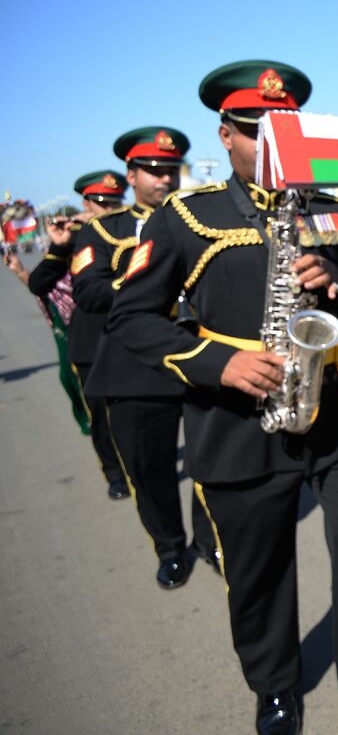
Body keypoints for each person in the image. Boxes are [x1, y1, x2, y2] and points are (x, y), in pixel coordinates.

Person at [106, 62, 338, 735]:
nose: (273, 147)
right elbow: (133, 319)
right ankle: (276, 688)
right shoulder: (183, 218)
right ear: (226, 134)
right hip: (236, 415)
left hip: (332, 412)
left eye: (285, 133)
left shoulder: (332, 209)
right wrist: (220, 363)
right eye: (258, 133)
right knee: (257, 567)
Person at [75, 126, 219, 589]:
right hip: (135, 366)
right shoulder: (103, 230)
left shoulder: (201, 218)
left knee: (210, 459)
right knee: (150, 469)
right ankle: (170, 547)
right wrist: (145, 281)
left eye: (171, 170)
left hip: (199, 355)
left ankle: (208, 539)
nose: (164, 179)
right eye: (153, 171)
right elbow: (88, 291)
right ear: (131, 175)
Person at [29, 172, 130, 499]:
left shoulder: (131, 231)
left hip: (131, 339)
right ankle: (114, 474)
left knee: (133, 414)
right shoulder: (72, 239)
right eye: (101, 203)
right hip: (91, 344)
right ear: (87, 204)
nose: (108, 209)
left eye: (114, 203)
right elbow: (38, 284)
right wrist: (59, 250)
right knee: (101, 418)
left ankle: (137, 464)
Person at [9, 214, 92, 434]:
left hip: (83, 330)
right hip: (61, 332)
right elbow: (38, 287)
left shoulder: (84, 257)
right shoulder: (52, 264)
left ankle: (97, 423)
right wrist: (18, 271)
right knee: (68, 378)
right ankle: (89, 421)